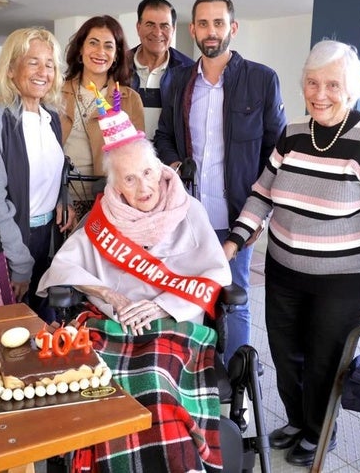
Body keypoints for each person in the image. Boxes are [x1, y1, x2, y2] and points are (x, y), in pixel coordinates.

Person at [223, 40, 360, 467]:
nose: (320, 93)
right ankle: (297, 420)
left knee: (325, 359)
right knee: (286, 353)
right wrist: (234, 240)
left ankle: (319, 431)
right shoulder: (292, 134)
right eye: (312, 82)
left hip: (343, 279)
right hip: (285, 268)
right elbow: (262, 193)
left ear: (352, 89)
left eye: (332, 84)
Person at [37, 103, 231, 471]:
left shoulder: (189, 211)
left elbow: (216, 274)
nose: (144, 187)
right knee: (102, 387)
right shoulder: (103, 218)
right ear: (115, 185)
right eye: (129, 179)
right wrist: (109, 294)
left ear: (159, 169)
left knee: (155, 383)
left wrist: (162, 306)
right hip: (116, 323)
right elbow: (63, 265)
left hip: (174, 323)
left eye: (148, 172)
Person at [154, 0, 287, 365]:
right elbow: (163, 136)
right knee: (184, 298)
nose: (210, 32)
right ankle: (189, 379)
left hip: (234, 220)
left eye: (218, 23)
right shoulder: (178, 80)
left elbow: (276, 153)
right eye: (203, 24)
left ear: (233, 28)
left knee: (234, 301)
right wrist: (177, 164)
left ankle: (236, 390)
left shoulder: (261, 80)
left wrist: (259, 214)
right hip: (185, 218)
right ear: (193, 29)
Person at [0, 27, 75, 324]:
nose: (43, 71)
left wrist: (63, 198)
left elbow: (52, 170)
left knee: (45, 328)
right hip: (15, 241)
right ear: (10, 69)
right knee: (14, 331)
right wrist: (20, 263)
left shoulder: (51, 118)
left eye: (49, 64)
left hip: (48, 239)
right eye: (33, 62)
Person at [61, 15, 145, 220]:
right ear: (81, 49)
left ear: (116, 55)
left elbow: (138, 159)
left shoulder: (130, 99)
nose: (100, 52)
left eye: (108, 46)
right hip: (61, 200)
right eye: (93, 43)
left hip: (111, 202)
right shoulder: (56, 92)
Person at [130, 0, 194, 140]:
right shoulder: (118, 66)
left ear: (173, 29)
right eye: (150, 24)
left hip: (169, 159)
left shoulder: (189, 71)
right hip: (126, 157)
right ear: (138, 27)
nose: (157, 32)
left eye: (164, 26)